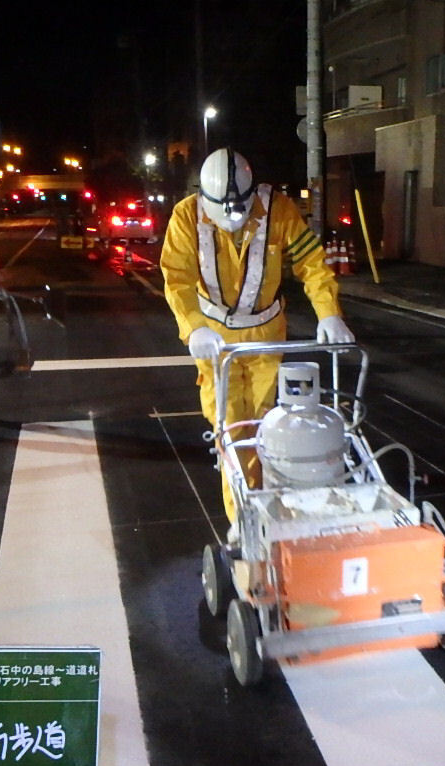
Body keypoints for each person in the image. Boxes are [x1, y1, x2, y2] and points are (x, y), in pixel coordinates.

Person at [160, 147, 354, 521]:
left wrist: (329, 314)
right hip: (215, 340)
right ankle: (244, 524)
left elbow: (312, 262)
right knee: (231, 431)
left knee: (270, 427)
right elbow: (177, 277)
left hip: (266, 334)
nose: (231, 219)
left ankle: (276, 511)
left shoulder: (279, 210)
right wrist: (194, 326)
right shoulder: (186, 216)